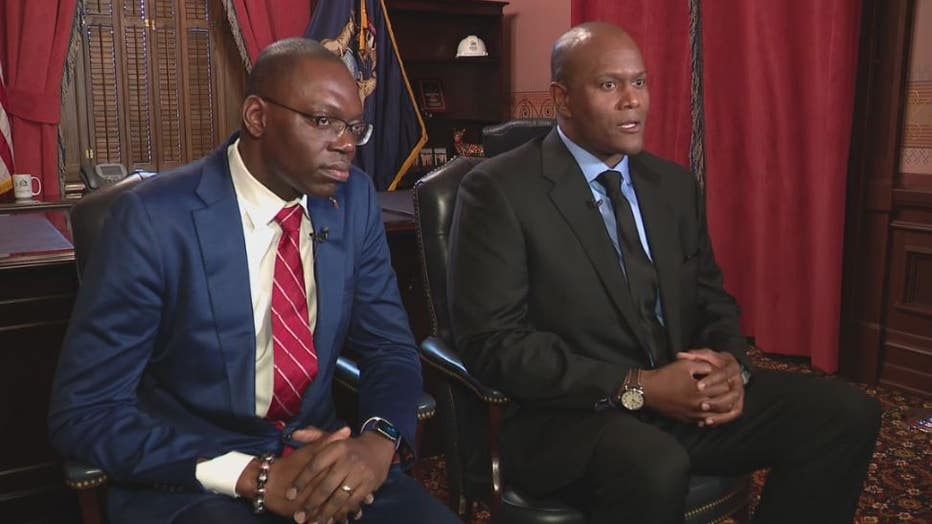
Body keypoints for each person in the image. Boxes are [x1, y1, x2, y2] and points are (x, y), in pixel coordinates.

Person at [448, 22, 881, 524]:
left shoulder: (672, 186)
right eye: (609, 85)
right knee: (655, 464)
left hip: (681, 397)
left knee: (847, 415)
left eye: (641, 82)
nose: (633, 100)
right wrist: (640, 385)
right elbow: (495, 343)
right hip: (574, 413)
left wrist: (728, 369)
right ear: (562, 98)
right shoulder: (498, 190)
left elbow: (712, 299)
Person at [49, 38, 460, 524]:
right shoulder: (154, 220)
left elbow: (389, 348)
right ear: (258, 117)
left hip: (320, 458)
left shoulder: (354, 204)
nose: (347, 143)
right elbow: (86, 412)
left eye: (354, 127)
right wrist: (255, 476)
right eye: (323, 121)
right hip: (197, 476)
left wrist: (378, 441)